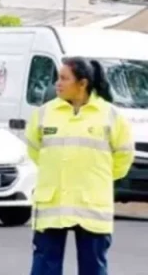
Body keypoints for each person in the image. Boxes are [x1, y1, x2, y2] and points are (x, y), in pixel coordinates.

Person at [25, 57, 135, 275]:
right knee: (45, 266)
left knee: (93, 267)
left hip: (91, 205)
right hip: (52, 203)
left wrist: (98, 177)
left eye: (64, 78)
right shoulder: (44, 114)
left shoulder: (110, 116)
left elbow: (124, 157)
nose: (58, 83)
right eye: (58, 78)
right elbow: (34, 151)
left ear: (82, 83)